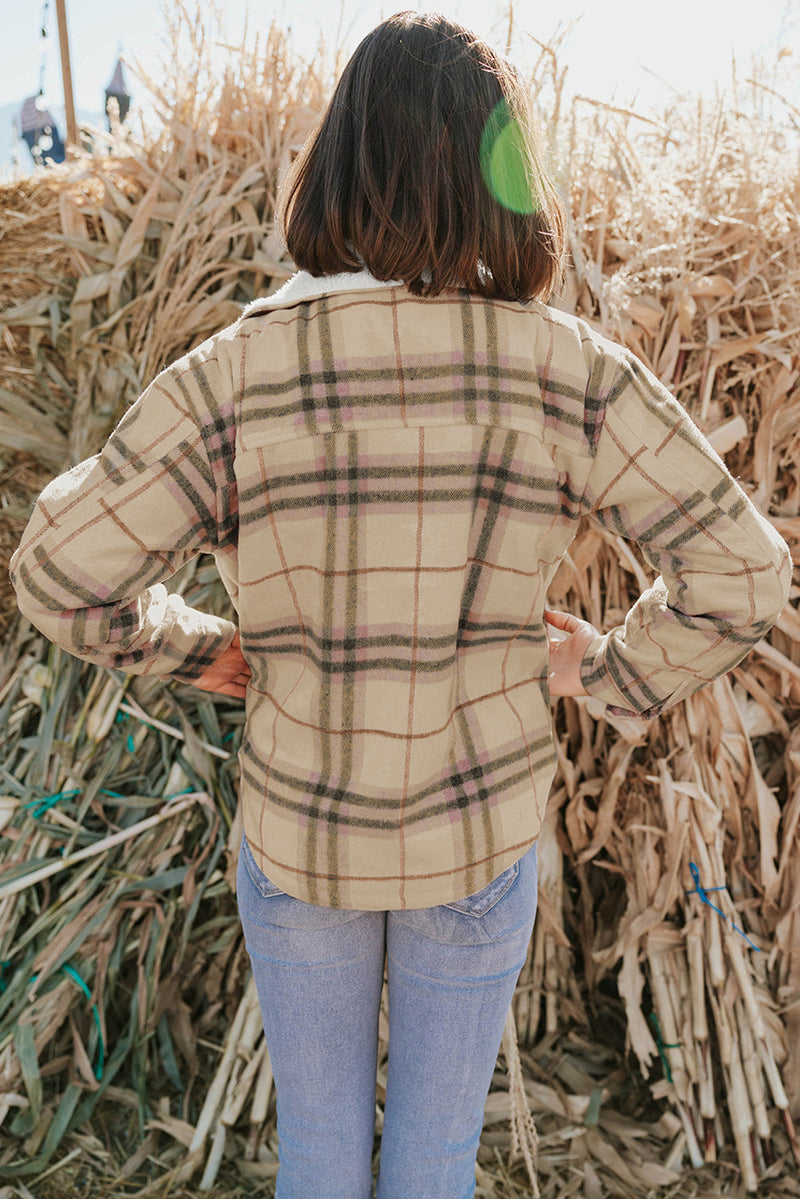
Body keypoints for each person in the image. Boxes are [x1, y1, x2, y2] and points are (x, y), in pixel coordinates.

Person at [10, 11, 792, 1199]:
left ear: (337, 159)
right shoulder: (563, 368)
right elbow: (741, 571)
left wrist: (198, 648)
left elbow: (59, 571)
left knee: (319, 1157)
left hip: (297, 827)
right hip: (473, 837)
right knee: (432, 1159)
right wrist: (605, 669)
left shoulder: (235, 371)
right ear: (499, 179)